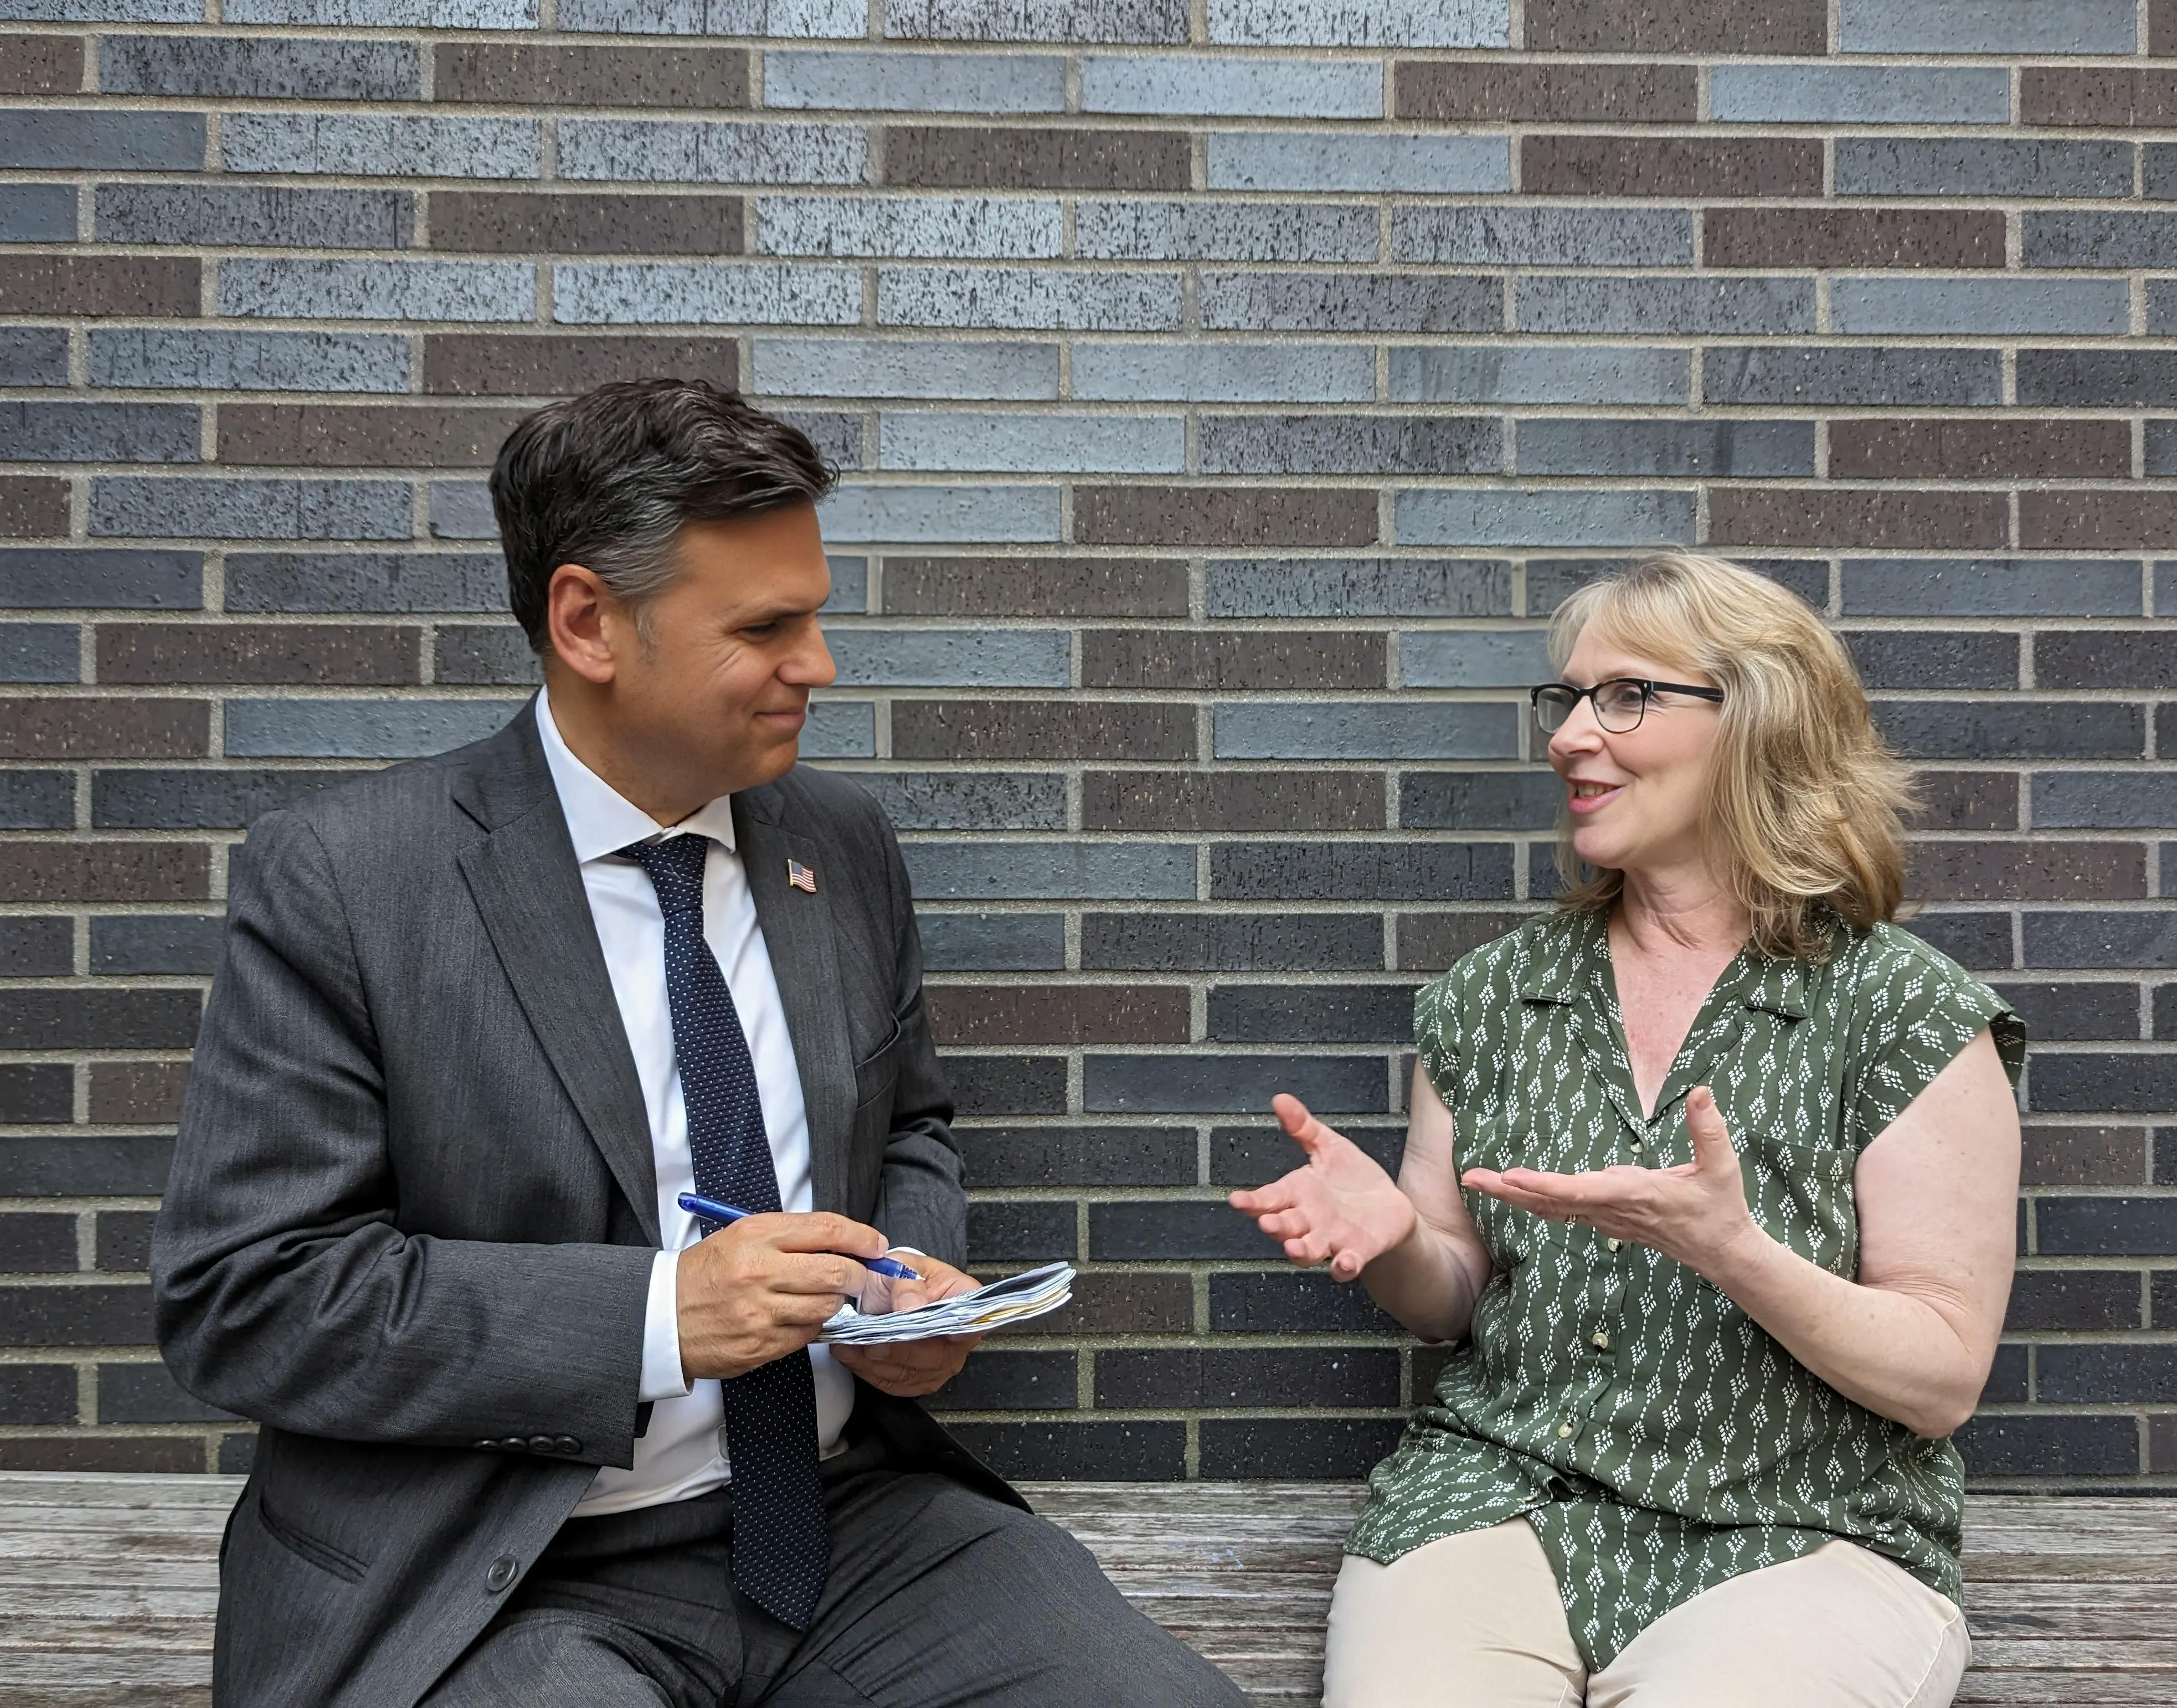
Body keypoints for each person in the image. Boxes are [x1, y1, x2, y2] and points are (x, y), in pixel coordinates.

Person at [152, 380, 1247, 1708]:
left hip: (850, 1533)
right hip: (503, 1571)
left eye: (816, 615)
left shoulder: (837, 848)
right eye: (765, 627)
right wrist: (666, 1315)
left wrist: (902, 1288)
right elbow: (248, 1300)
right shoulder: (350, 879)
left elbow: (906, 1125)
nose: (819, 664)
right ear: (586, 622)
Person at [1231, 552, 2022, 1708]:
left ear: (1756, 723)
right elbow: (1453, 1297)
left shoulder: (1903, 1010)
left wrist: (1732, 1252)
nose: (1567, 735)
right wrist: (1396, 1241)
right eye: (1567, 698)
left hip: (1805, 1529)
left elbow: (1939, 1380)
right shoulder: (1487, 997)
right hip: (1498, 1501)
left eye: (1625, 696)